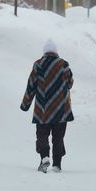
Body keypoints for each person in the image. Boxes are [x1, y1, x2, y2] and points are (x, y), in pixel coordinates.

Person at [20, 39, 74, 173]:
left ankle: (44, 157)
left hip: (42, 110)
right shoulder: (63, 64)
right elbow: (70, 83)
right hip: (61, 110)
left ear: (44, 52)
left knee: (42, 135)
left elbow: (31, 86)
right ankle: (57, 165)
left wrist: (25, 104)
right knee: (58, 137)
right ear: (56, 52)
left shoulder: (38, 65)